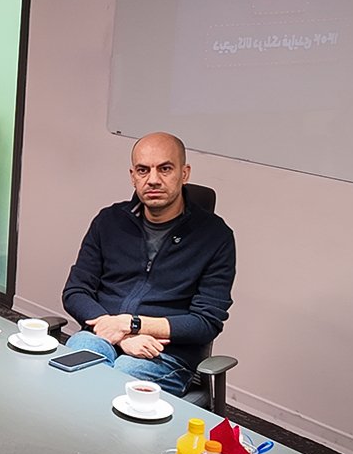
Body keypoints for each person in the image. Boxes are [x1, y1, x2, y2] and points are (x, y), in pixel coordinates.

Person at [62, 132, 236, 396]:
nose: (153, 179)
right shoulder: (109, 221)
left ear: (184, 173)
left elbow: (206, 322)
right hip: (102, 336)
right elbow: (76, 292)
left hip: (166, 354)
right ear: (133, 176)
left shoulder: (215, 236)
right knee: (76, 362)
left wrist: (132, 324)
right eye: (143, 170)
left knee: (122, 378)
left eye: (165, 169)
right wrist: (122, 334)